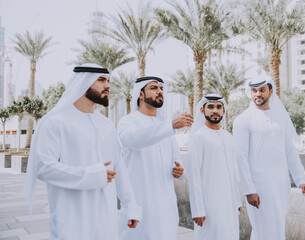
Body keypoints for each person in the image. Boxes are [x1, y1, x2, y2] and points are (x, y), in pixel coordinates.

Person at [24, 64, 141, 240]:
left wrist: (130, 204)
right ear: (83, 82)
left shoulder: (106, 125)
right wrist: (93, 174)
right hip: (71, 223)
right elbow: (43, 167)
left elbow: (120, 167)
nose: (108, 86)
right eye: (101, 80)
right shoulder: (55, 122)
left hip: (106, 223)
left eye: (108, 81)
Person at [233, 77, 305, 240]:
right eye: (254, 91)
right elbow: (241, 157)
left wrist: (301, 178)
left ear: (271, 91)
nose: (258, 94)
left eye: (262, 90)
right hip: (259, 186)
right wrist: (249, 190)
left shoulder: (280, 118)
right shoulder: (243, 120)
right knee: (263, 230)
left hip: (281, 185)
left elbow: (289, 150)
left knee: (276, 228)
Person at [117, 76, 193, 240]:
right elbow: (134, 140)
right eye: (153, 88)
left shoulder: (164, 124)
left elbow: (175, 157)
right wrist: (170, 126)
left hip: (165, 204)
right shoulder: (128, 121)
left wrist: (177, 170)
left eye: (161, 89)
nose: (159, 91)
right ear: (141, 94)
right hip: (140, 202)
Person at [187, 94, 242, 240]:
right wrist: (197, 209)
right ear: (202, 111)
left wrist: (237, 200)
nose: (215, 110)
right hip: (209, 205)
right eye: (210, 107)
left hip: (229, 204)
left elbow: (231, 171)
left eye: (218, 107)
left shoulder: (227, 137)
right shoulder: (198, 137)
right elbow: (194, 176)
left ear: (224, 111)